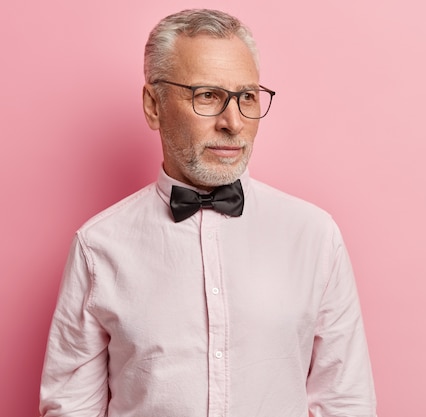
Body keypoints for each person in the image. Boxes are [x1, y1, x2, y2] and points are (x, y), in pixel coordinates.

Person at [39, 8, 376, 417]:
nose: (233, 122)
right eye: (207, 96)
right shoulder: (98, 247)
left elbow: (346, 401)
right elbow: (69, 407)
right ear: (154, 106)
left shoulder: (314, 236)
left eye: (247, 97)